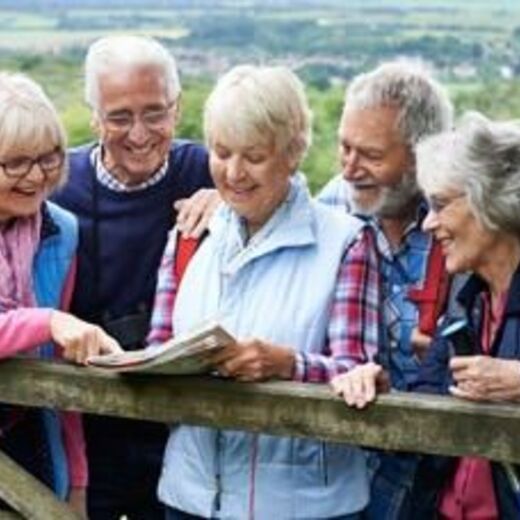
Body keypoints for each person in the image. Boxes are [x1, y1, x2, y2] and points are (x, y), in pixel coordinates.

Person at [146, 64, 381, 520]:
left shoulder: (346, 242)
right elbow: (157, 349)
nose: (233, 173)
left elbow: (358, 373)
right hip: (189, 498)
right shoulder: (190, 237)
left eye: (253, 156)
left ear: (293, 152)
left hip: (304, 508)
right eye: (221, 152)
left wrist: (287, 364)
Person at [52, 35, 216, 519]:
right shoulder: (61, 184)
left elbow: (286, 189)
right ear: (94, 114)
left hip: (183, 428)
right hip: (87, 427)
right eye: (120, 117)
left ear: (178, 107)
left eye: (155, 113)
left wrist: (229, 200)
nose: (140, 133)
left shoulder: (209, 170)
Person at [335, 112, 520, 518]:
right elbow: (420, 416)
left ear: (490, 198)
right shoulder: (467, 306)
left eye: (439, 205)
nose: (430, 222)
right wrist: (374, 390)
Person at [318, 61, 454, 519]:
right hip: (350, 467)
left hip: (445, 471)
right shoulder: (332, 202)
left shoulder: (460, 221)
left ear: (421, 157)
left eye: (371, 155)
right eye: (344, 147)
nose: (350, 168)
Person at [0, 72, 120, 516]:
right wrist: (46, 319)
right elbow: (50, 327)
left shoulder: (61, 231)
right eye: (15, 162)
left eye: (48, 158)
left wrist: (78, 480)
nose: (36, 176)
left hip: (34, 445)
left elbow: (58, 363)